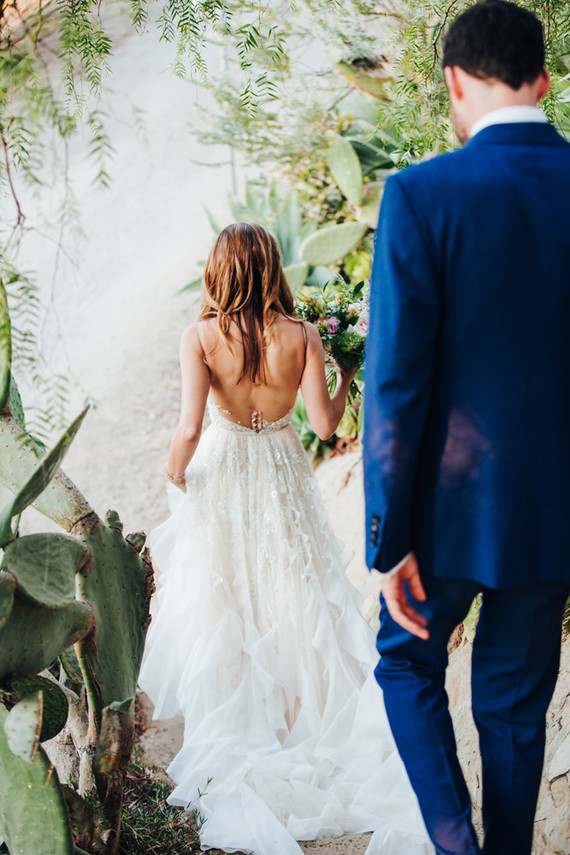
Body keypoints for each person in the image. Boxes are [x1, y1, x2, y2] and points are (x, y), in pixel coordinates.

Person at [139, 222, 432, 855]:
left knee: (231, 599)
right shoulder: (301, 337)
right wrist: (346, 374)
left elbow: (190, 426)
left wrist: (172, 476)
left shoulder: (199, 337)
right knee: (297, 593)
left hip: (224, 474)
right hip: (280, 471)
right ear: (273, 267)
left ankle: (247, 722)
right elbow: (326, 426)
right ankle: (309, 722)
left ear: (219, 271)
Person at [363, 2, 570, 855]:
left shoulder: (421, 194)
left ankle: (458, 843)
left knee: (406, 662)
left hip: (445, 512)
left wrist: (389, 536)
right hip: (554, 511)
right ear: (545, 81)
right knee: (515, 703)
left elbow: (397, 381)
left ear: (453, 81)